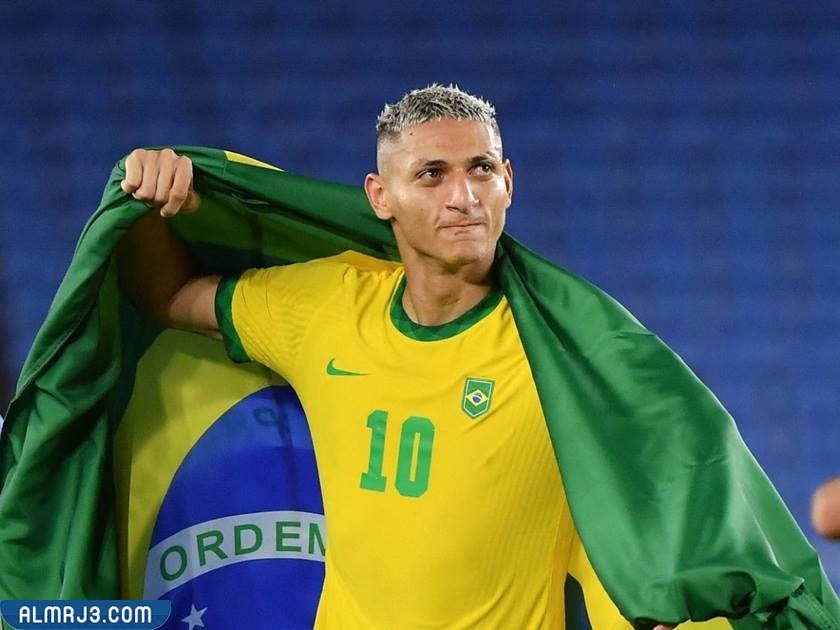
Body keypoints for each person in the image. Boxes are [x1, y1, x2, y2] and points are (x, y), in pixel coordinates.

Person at [118, 85, 712, 629]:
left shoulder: (564, 354)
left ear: (508, 181)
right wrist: (146, 198)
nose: (464, 197)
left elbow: (670, 502)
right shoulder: (325, 308)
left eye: (482, 169)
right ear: (381, 197)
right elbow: (167, 296)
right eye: (432, 174)